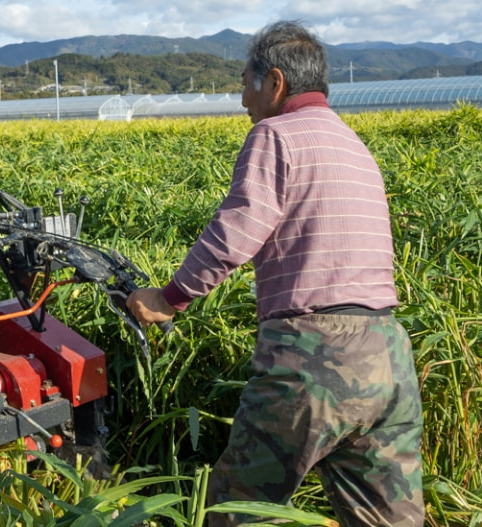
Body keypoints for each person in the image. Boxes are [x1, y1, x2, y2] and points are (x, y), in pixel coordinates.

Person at [123, 20, 424, 527]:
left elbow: (236, 232)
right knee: (387, 519)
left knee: (236, 510)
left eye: (246, 82)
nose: (243, 99)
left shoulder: (276, 134)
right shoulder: (354, 145)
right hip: (389, 356)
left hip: (315, 357)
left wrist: (168, 298)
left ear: (276, 83)